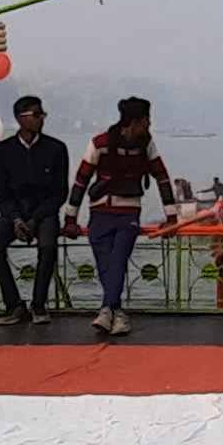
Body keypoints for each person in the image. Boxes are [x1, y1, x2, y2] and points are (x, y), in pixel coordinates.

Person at [59, 95, 183, 339]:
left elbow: (162, 177)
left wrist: (171, 217)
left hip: (128, 213)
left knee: (118, 260)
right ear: (135, 122)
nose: (149, 126)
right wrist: (70, 219)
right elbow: (80, 181)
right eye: (146, 120)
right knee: (106, 264)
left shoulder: (146, 145)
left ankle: (107, 310)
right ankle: (116, 312)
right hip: (99, 213)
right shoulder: (100, 143)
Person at [0, 95, 71, 323]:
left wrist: (34, 219)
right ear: (19, 119)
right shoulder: (3, 151)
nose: (41, 119)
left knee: (47, 246)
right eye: (35, 115)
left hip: (44, 212)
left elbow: (59, 192)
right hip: (13, 212)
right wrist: (15, 219)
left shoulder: (56, 149)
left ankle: (39, 304)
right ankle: (13, 304)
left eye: (42, 114)